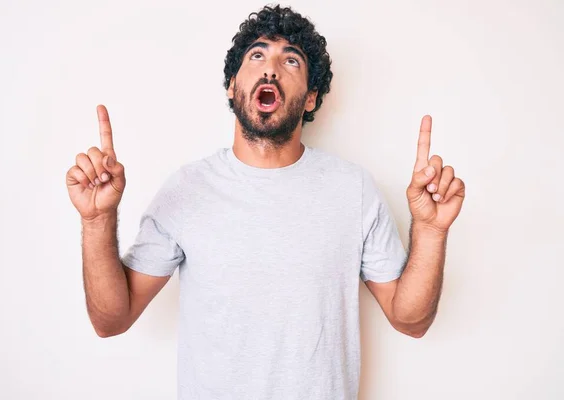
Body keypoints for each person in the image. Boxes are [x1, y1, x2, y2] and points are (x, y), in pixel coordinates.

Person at [65, 4, 465, 399]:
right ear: (233, 85)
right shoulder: (187, 189)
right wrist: (98, 220)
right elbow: (111, 320)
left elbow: (410, 320)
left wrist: (430, 231)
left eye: (291, 60)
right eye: (257, 55)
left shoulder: (353, 189)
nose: (271, 67)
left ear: (310, 98)